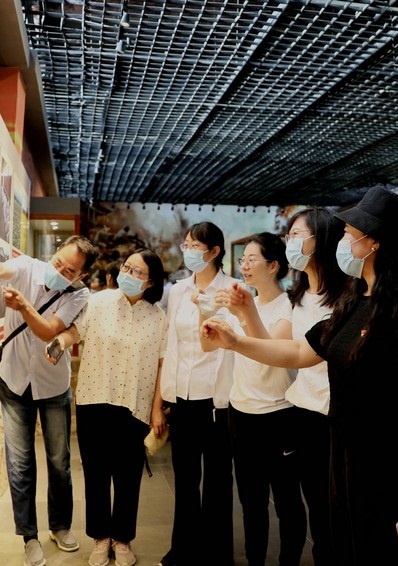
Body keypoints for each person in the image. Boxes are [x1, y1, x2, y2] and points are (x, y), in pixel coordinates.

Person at [201, 186, 398, 565]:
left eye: (348, 234)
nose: (341, 242)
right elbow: (299, 352)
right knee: (339, 545)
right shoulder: (354, 301)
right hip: (343, 458)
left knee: (386, 553)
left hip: (391, 466)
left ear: (372, 242)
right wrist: (235, 342)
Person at [0, 235, 98, 566]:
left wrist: (24, 306)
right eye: (58, 262)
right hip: (14, 381)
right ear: (55, 252)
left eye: (69, 271)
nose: (60, 271)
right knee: (20, 464)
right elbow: (1, 268)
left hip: (53, 386)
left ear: (81, 275)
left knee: (59, 462)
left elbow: (49, 330)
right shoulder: (29, 267)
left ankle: (60, 526)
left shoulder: (79, 295)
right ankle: (29, 536)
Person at [47, 249, 168, 566]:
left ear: (151, 281)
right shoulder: (98, 302)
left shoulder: (158, 318)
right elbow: (77, 331)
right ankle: (101, 538)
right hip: (95, 399)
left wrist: (157, 409)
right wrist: (61, 342)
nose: (128, 274)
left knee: (129, 477)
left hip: (135, 405)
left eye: (137, 272)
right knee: (96, 474)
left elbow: (161, 365)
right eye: (126, 267)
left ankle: (122, 539)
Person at [203, 232, 307, 565]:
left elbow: (271, 352)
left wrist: (243, 314)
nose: (245, 266)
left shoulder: (290, 306)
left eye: (252, 259)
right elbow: (210, 346)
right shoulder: (243, 303)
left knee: (287, 501)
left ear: (274, 266)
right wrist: (208, 321)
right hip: (241, 412)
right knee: (251, 502)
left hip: (279, 414)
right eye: (243, 260)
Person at [159, 221, 239, 566]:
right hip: (184, 395)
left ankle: (217, 554)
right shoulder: (178, 290)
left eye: (196, 246)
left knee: (218, 479)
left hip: (218, 397)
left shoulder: (232, 290)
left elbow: (234, 342)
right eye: (186, 244)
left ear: (214, 252)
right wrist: (165, 397)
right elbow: (171, 344)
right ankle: (184, 549)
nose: (188, 251)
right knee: (186, 477)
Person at [281, 207, 348, 565]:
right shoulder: (298, 295)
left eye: (296, 235)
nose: (290, 242)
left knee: (339, 510)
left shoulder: (347, 298)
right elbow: (289, 352)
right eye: (288, 235)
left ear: (321, 240)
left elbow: (298, 354)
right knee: (317, 509)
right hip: (303, 413)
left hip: (335, 416)